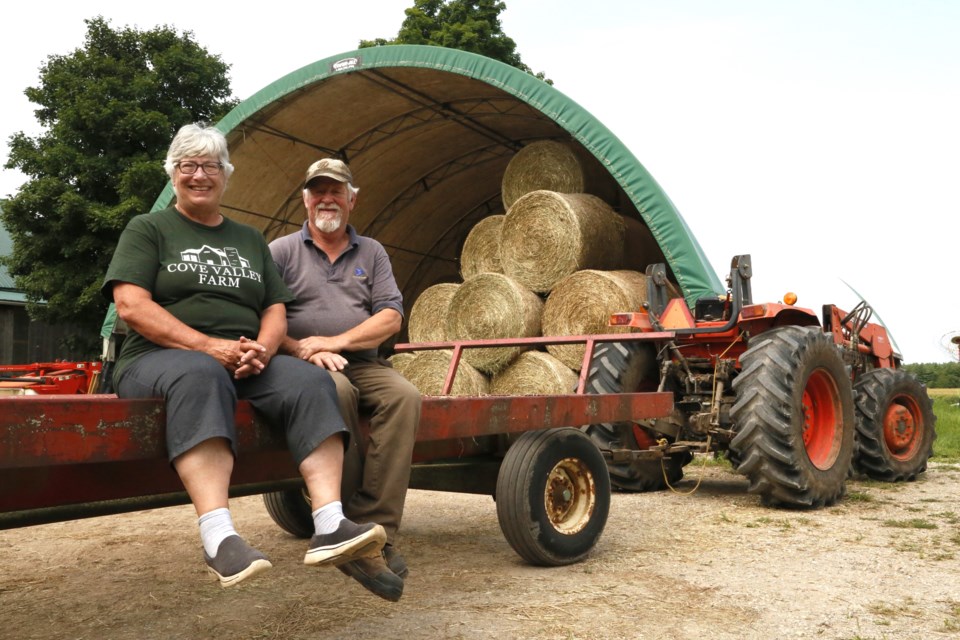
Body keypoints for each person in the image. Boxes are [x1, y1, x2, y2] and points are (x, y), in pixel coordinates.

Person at [101, 124, 386, 588]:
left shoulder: (249, 239)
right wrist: (206, 346)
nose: (199, 175)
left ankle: (330, 523)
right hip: (158, 358)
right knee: (201, 374)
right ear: (172, 173)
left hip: (240, 358)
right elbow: (132, 306)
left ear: (225, 175)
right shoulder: (148, 229)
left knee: (312, 381)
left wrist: (264, 350)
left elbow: (275, 308)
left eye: (210, 165)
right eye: (187, 165)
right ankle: (219, 537)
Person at [269, 158, 420, 602]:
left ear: (352, 199)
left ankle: (379, 531)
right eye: (317, 191)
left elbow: (391, 317)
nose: (326, 199)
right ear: (304, 200)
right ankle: (344, 526)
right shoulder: (280, 252)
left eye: (335, 191)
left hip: (362, 360)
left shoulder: (371, 252)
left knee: (406, 396)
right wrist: (302, 349)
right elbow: (264, 319)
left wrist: (335, 341)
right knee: (335, 391)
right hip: (304, 364)